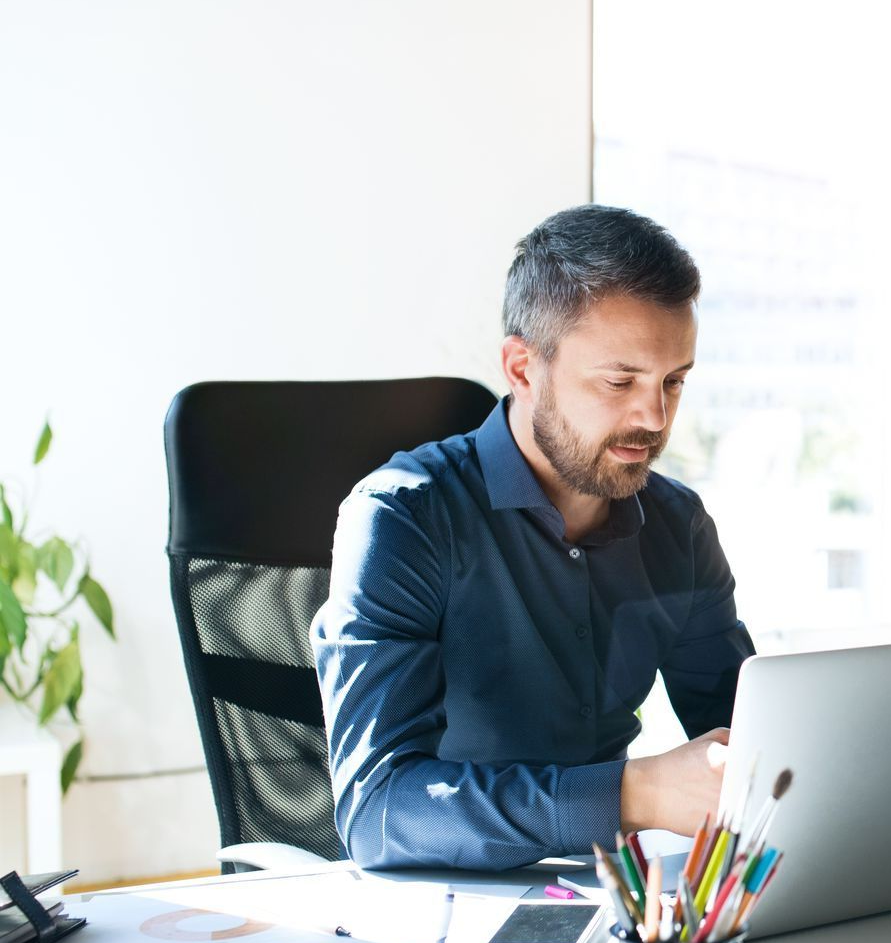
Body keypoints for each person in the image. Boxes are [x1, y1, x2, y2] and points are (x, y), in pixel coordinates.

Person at [313, 205, 752, 871]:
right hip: (433, 907)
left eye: (673, 381)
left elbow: (752, 739)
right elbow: (378, 812)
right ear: (521, 368)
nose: (654, 416)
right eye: (620, 380)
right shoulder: (402, 519)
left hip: (605, 897)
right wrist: (633, 793)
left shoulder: (678, 527)